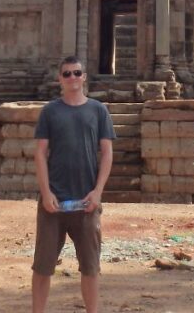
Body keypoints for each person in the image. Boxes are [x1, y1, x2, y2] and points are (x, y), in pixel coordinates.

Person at [31, 56, 115, 313]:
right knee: (43, 266)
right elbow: (40, 153)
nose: (72, 78)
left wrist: (98, 192)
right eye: (67, 74)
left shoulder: (98, 111)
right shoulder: (50, 111)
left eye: (77, 73)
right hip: (54, 200)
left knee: (90, 267)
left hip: (86, 201)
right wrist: (46, 193)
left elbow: (107, 153)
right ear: (60, 79)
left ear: (84, 76)